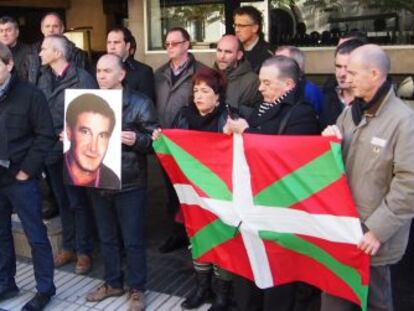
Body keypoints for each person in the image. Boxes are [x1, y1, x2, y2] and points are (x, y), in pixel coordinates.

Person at [321, 44, 414, 311]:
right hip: (342, 230)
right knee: (334, 301)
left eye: (353, 72)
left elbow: (408, 184)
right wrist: (329, 144)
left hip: (373, 243)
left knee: (375, 304)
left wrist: (377, 230)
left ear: (374, 74)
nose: (345, 78)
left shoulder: (404, 121)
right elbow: (334, 161)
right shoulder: (350, 112)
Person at [224, 56, 320, 311]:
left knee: (278, 279)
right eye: (260, 82)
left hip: (280, 210)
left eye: (267, 83)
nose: (260, 88)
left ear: (288, 84)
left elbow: (287, 159)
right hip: (252, 205)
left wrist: (247, 133)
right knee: (249, 272)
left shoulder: (302, 114)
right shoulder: (262, 108)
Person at [153, 67, 231, 311]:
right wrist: (161, 138)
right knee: (198, 240)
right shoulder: (184, 115)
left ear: (218, 96)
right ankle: (201, 288)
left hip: (221, 193)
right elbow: (173, 144)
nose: (198, 95)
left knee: (222, 242)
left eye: (205, 91)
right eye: (196, 90)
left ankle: (221, 295)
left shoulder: (230, 118)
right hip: (191, 192)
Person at [86, 54, 158, 311]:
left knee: (133, 239)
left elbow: (155, 141)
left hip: (130, 182)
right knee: (106, 237)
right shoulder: (88, 102)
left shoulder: (140, 102)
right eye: (98, 71)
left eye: (107, 71)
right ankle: (113, 282)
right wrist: (70, 136)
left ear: (122, 75)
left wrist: (136, 140)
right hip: (97, 177)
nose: (101, 75)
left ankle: (137, 289)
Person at [0, 42, 56, 311]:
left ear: (9, 64)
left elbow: (45, 135)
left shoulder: (30, 95)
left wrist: (27, 170)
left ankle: (45, 289)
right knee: (0, 234)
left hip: (21, 177)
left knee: (36, 235)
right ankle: (6, 283)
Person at [37, 34, 97, 275]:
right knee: (62, 200)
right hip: (50, 149)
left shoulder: (82, 78)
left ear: (58, 53)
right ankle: (68, 246)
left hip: (76, 150)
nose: (40, 53)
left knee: (78, 202)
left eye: (44, 48)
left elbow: (94, 114)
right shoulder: (43, 77)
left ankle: (84, 251)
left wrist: (73, 134)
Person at [155, 27, 207, 253]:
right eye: (166, 44)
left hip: (191, 145)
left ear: (187, 44)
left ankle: (198, 235)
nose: (169, 47)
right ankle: (176, 233)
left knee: (194, 192)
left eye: (174, 43)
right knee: (171, 191)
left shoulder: (201, 72)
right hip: (165, 142)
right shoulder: (158, 74)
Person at [64, 93, 121, 189]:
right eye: (85, 132)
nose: (93, 148)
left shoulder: (113, 180)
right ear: (69, 132)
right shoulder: (55, 171)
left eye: (102, 135)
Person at [25, 11, 88, 85]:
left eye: (55, 26)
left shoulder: (77, 54)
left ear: (62, 29)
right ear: (42, 29)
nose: (51, 30)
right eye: (47, 26)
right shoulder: (31, 53)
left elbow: (81, 83)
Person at [320, 39, 366, 128]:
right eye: (338, 66)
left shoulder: (374, 101)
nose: (341, 74)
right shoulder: (326, 96)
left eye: (347, 67)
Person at [214, 34, 261, 111]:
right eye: (219, 50)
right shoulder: (208, 75)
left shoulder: (252, 81)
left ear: (239, 55)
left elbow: (250, 114)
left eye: (228, 52)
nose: (222, 56)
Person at [106, 26, 155, 101]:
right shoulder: (99, 70)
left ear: (127, 46)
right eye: (109, 42)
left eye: (116, 42)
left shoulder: (143, 72)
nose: (112, 47)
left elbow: (147, 106)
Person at [275, 45, 324, 116]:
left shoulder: (310, 91)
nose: (274, 65)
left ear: (297, 65)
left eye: (281, 61)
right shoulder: (271, 88)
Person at [233, 6, 273, 73]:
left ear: (255, 28)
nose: (237, 30)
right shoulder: (232, 50)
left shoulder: (269, 54)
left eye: (241, 26)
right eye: (235, 25)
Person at [0, 16, 30, 80]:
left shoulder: (28, 52)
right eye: (1, 31)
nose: (4, 34)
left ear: (17, 32)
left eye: (8, 30)